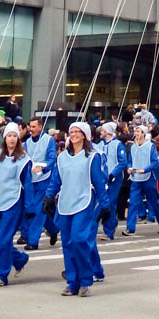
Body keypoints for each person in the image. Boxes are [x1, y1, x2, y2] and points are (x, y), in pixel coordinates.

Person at [44, 122, 109, 296]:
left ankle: (86, 279)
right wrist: (49, 196)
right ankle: (72, 282)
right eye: (71, 131)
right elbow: (56, 180)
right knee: (67, 243)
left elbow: (99, 182)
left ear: (84, 135)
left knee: (79, 239)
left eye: (77, 132)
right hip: (65, 203)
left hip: (84, 202)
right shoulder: (62, 157)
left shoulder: (92, 157)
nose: (73, 134)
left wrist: (105, 204)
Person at [0, 122, 34, 286]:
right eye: (9, 135)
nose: (11, 139)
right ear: (4, 138)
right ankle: (20, 258)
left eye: (14, 136)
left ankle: (1, 274)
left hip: (14, 202)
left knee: (4, 238)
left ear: (18, 139)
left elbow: (28, 184)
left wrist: (29, 207)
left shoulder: (24, 159)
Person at [123, 123, 159, 235]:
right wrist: (129, 167)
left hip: (148, 178)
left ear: (143, 133)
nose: (136, 133)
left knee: (153, 201)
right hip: (136, 178)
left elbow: (155, 162)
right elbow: (130, 160)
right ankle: (130, 228)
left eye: (138, 131)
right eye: (135, 131)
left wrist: (145, 169)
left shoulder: (150, 146)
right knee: (133, 202)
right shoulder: (133, 147)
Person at [23, 115, 59, 249]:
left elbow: (51, 158)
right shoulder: (27, 142)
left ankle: (33, 241)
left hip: (45, 179)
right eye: (30, 126)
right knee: (36, 209)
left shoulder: (48, 140)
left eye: (33, 127)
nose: (30, 129)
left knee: (38, 210)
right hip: (31, 180)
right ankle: (53, 229)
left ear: (40, 126)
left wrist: (43, 168)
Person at [96, 121, 129, 239]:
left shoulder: (118, 144)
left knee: (109, 202)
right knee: (106, 203)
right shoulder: (99, 145)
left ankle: (108, 231)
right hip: (102, 178)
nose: (101, 132)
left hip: (114, 178)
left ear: (108, 132)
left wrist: (113, 174)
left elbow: (122, 162)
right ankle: (112, 224)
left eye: (103, 130)